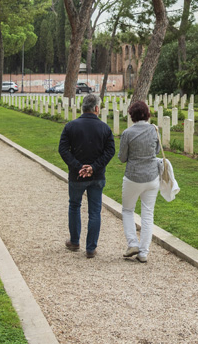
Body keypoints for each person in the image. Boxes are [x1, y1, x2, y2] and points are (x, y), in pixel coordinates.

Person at [58, 93, 115, 258]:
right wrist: (93, 168)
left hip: (77, 176)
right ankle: (91, 248)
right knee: (94, 211)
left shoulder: (70, 126)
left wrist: (78, 167)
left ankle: (75, 241)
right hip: (97, 176)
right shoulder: (105, 128)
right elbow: (110, 151)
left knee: (74, 206)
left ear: (83, 108)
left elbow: (63, 150)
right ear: (97, 108)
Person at [118, 100, 161, 263]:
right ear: (147, 114)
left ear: (131, 115)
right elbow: (156, 150)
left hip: (133, 177)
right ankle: (143, 252)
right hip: (151, 176)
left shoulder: (128, 133)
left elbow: (122, 158)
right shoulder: (154, 130)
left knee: (128, 210)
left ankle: (132, 243)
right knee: (147, 214)